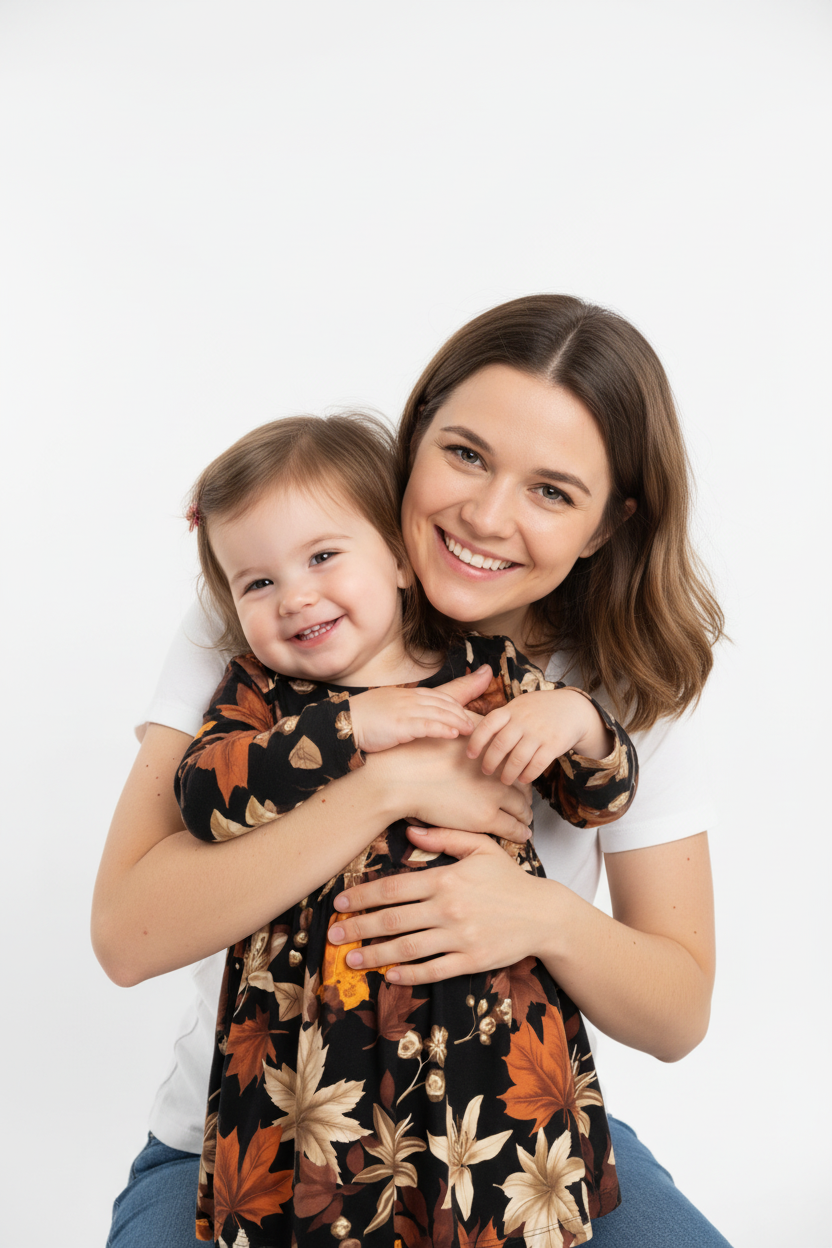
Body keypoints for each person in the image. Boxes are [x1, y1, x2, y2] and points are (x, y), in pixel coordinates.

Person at [94, 294, 730, 1248]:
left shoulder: (606, 677)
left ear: (606, 525)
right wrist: (386, 785)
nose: (486, 515)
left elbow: (677, 1012)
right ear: (417, 432)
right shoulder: (286, 605)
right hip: (266, 1134)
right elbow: (127, 934)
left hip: (504, 1138)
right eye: (466, 453)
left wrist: (542, 915)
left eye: (553, 492)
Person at [173, 412, 638, 1245]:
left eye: (322, 557)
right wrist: (352, 729)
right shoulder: (260, 696)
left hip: (485, 1050)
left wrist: (579, 722)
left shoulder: (486, 673)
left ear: (396, 558)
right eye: (258, 583)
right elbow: (204, 795)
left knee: (497, 1213)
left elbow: (596, 799)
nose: (296, 596)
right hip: (307, 1066)